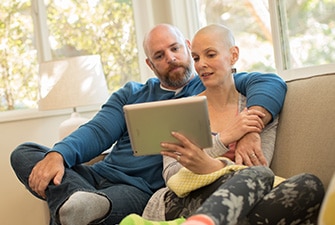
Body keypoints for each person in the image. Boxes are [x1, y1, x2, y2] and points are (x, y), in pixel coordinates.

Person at [10, 23, 287, 225]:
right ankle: (76, 201)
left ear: (188, 49)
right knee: (24, 152)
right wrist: (58, 155)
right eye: (159, 55)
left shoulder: (206, 84)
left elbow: (269, 82)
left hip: (137, 189)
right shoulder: (132, 93)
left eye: (175, 49)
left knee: (103, 204)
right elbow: (97, 130)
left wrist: (253, 126)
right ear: (150, 64)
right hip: (99, 173)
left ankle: (81, 206)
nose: (171, 58)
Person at [120, 24, 324, 225]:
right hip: (182, 201)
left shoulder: (256, 109)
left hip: (243, 197)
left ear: (233, 55)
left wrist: (209, 163)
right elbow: (173, 175)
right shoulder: (178, 110)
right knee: (259, 177)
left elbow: (257, 164)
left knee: (309, 185)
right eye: (197, 58)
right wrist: (224, 140)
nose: (201, 65)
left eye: (211, 55)